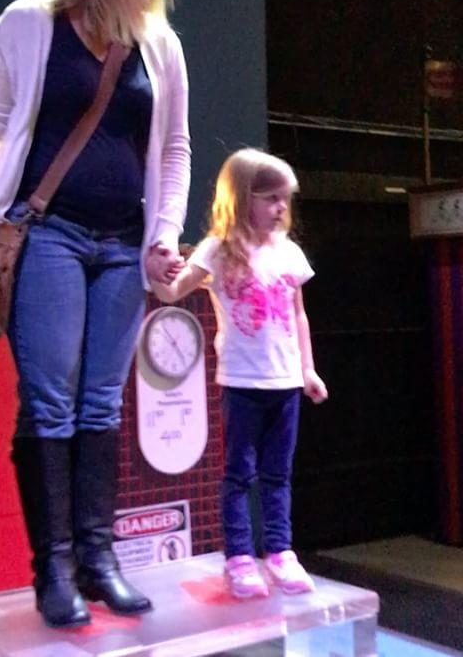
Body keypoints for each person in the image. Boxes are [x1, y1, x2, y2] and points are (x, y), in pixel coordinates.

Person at [0, 0, 190, 627]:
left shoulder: (160, 44)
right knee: (51, 401)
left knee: (100, 403)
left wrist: (164, 235)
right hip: (48, 234)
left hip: (123, 243)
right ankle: (53, 569)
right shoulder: (28, 24)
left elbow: (174, 149)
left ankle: (99, 559)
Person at [150, 148, 327, 599]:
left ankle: (280, 551)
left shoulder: (288, 252)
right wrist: (158, 271)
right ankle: (239, 558)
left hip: (285, 384)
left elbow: (298, 314)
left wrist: (307, 369)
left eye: (285, 199)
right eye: (271, 198)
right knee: (239, 473)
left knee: (278, 473)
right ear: (244, 197)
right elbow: (173, 291)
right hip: (243, 384)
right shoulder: (217, 249)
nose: (281, 208)